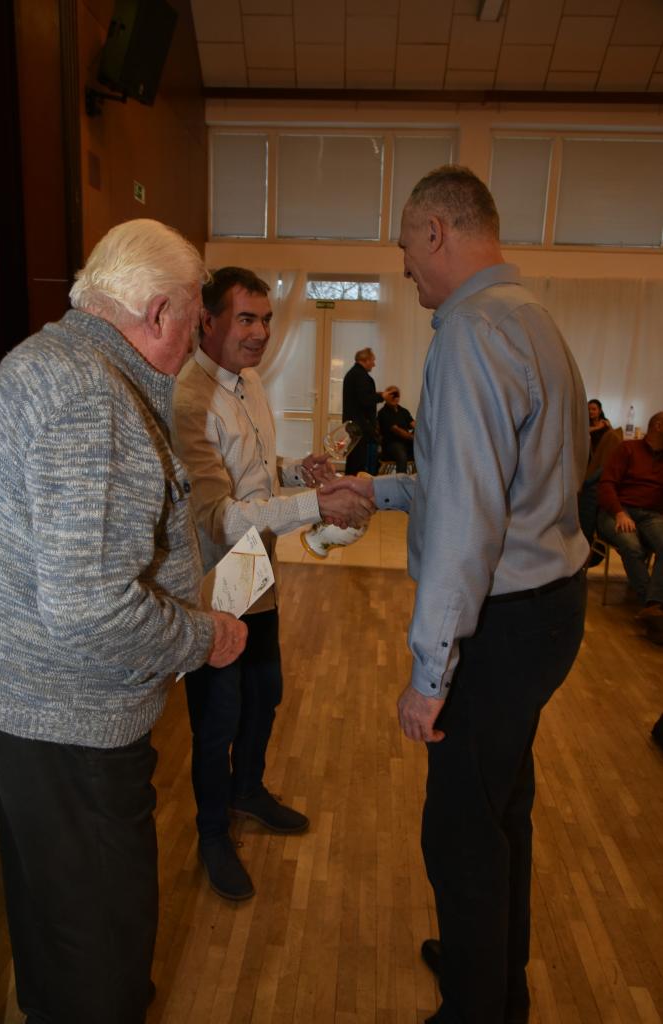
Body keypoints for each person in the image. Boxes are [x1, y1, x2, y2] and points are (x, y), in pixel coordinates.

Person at [328, 166, 589, 1024]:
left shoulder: (471, 333)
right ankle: (494, 978)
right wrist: (379, 489)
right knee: (500, 807)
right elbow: (493, 484)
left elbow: (469, 524)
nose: (404, 266)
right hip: (548, 606)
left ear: (437, 231)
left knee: (459, 832)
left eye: (406, 247)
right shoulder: (530, 318)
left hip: (499, 624)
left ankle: (478, 1006)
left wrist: (429, 673)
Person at [0, 220, 247, 1024]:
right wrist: (204, 636)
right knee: (101, 961)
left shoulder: (41, 359)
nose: (195, 341)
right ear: (159, 312)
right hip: (73, 722)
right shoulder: (93, 396)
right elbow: (91, 609)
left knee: (54, 930)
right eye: (195, 320)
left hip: (28, 710)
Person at [172, 267, 373, 902]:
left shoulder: (250, 382)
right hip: (214, 580)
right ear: (208, 321)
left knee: (265, 692)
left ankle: (248, 791)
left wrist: (292, 469)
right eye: (246, 319)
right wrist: (316, 503)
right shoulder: (189, 399)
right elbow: (219, 516)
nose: (260, 332)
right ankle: (212, 833)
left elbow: (250, 473)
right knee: (218, 716)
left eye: (265, 319)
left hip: (256, 568)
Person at [596, 410, 663, 617]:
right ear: (658, 426)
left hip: (651, 515)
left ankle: (654, 603)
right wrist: (619, 512)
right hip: (618, 509)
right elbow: (607, 484)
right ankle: (650, 603)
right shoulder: (628, 448)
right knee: (631, 545)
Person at [342, 347, 396, 475]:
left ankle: (349, 482)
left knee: (353, 459)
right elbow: (365, 400)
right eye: (372, 360)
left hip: (354, 422)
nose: (374, 364)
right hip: (360, 424)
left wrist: (379, 395)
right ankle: (355, 484)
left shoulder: (353, 374)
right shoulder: (361, 376)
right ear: (365, 360)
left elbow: (361, 397)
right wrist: (382, 396)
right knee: (358, 461)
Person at [578, 399, 621, 544]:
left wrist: (603, 426)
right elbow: (583, 434)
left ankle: (588, 537)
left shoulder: (606, 425)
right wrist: (597, 428)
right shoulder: (585, 424)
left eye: (594, 409)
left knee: (591, 488)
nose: (591, 412)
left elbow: (613, 440)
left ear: (600, 410)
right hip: (588, 461)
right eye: (589, 409)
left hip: (601, 462)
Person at [378, 386, 415, 472]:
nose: (394, 398)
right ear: (386, 396)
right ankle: (401, 479)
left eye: (396, 395)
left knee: (423, 451)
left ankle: (420, 478)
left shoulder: (404, 411)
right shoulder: (383, 413)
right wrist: (412, 438)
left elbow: (414, 424)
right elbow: (396, 430)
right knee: (401, 454)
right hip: (391, 444)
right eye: (392, 395)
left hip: (406, 443)